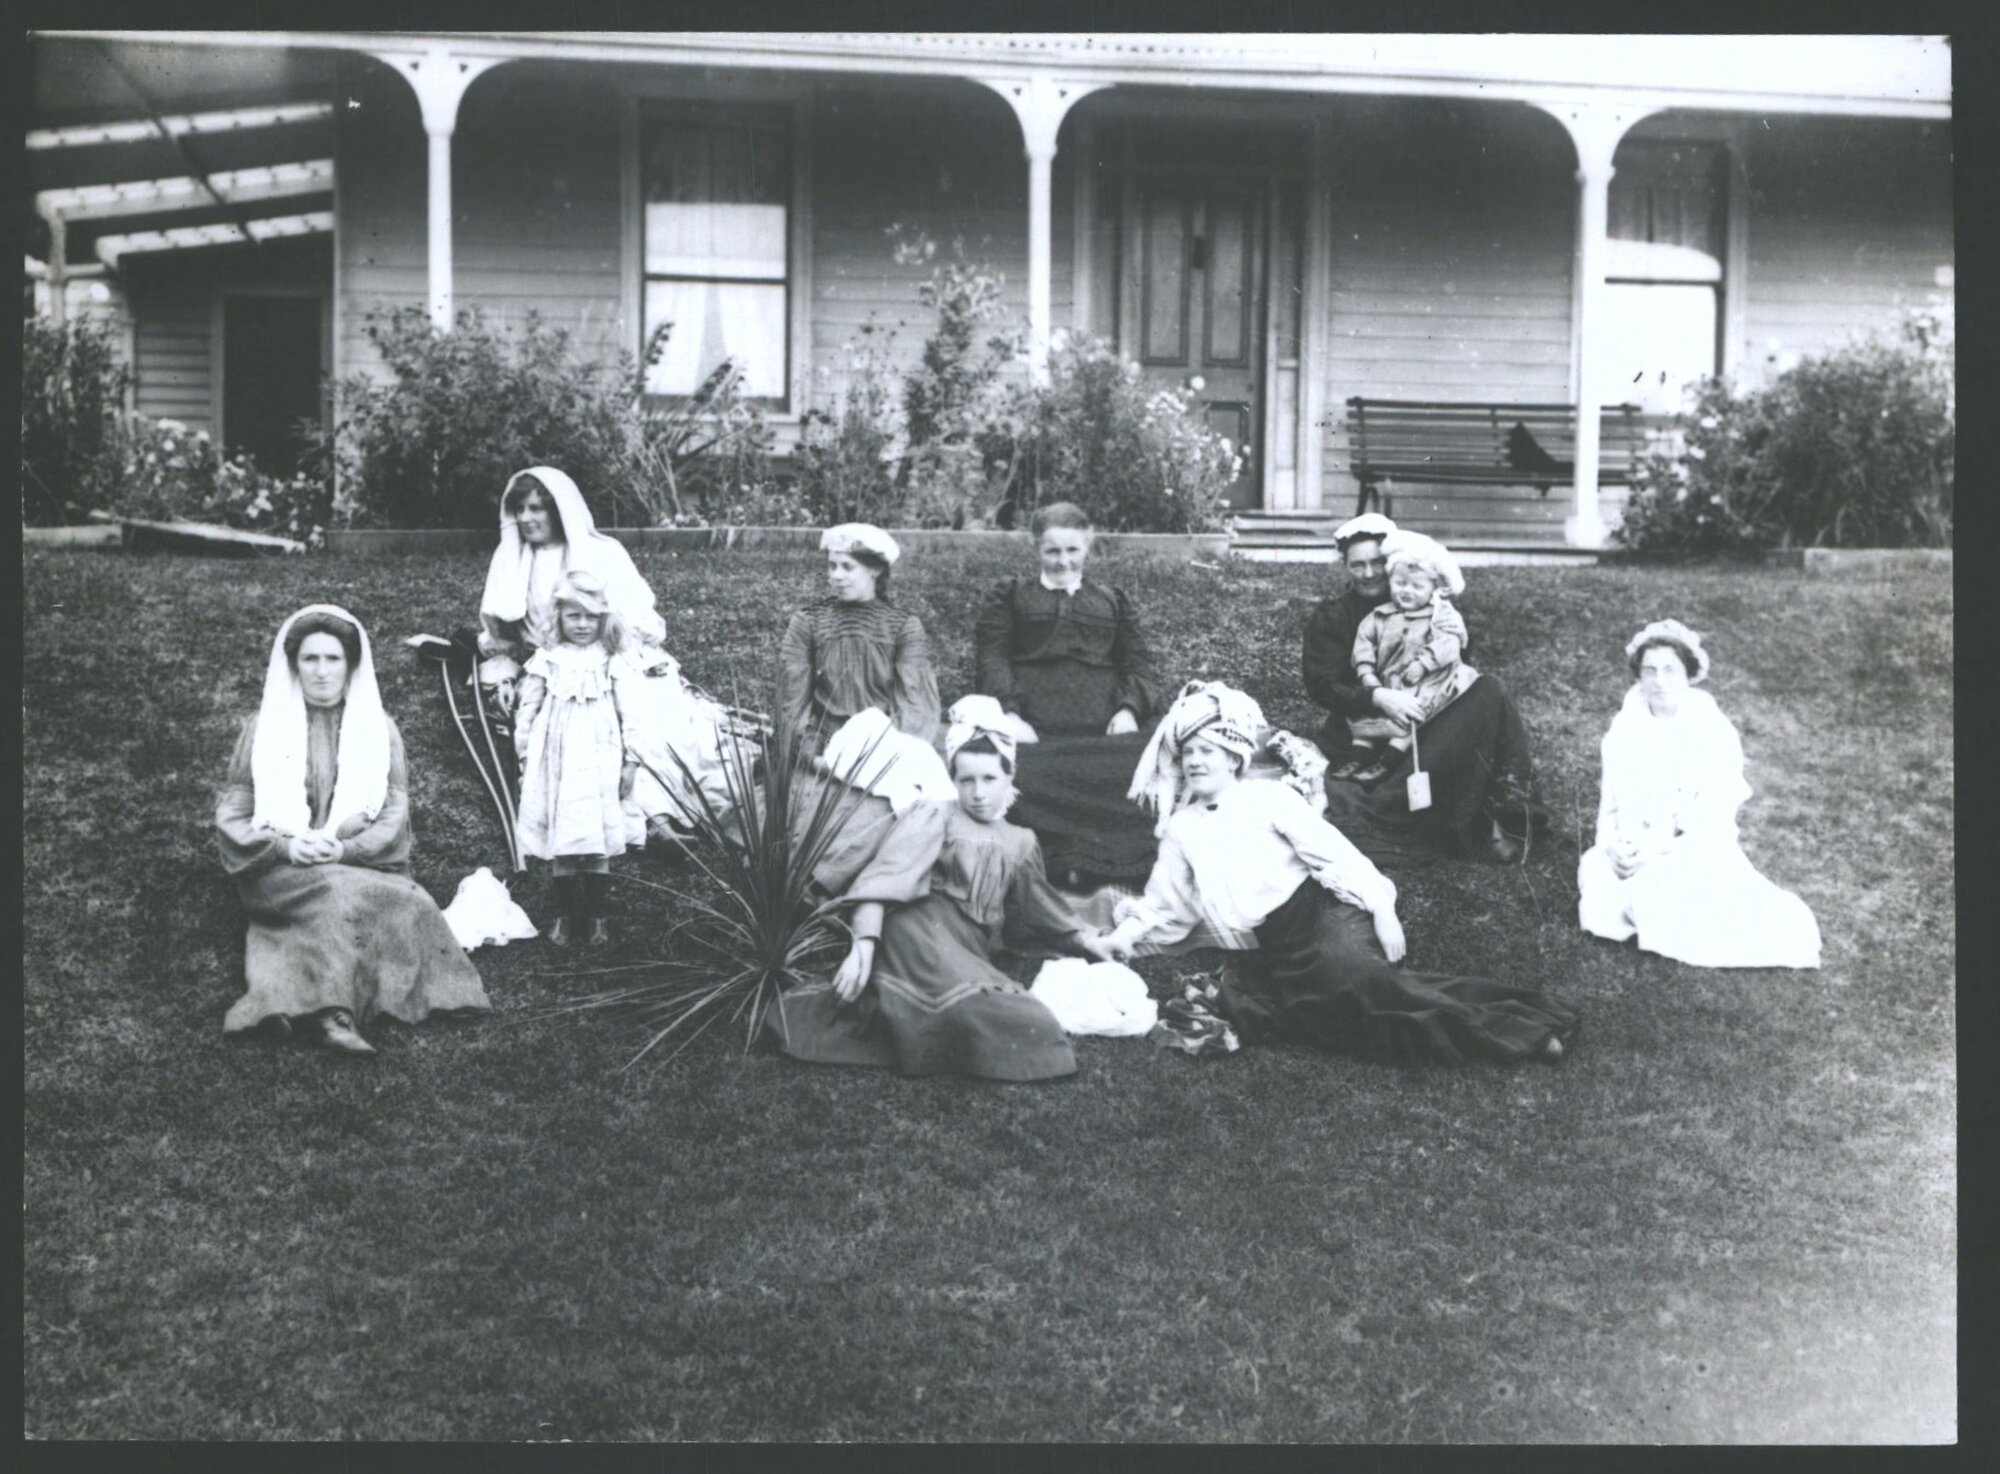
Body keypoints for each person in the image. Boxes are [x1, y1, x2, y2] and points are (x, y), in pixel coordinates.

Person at [1100, 683, 1577, 1065]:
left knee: (1369, 989)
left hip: (1325, 919)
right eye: (1188, 753)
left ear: (1233, 757)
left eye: (1207, 750)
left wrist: (1382, 909)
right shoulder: (1181, 829)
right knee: (1333, 1019)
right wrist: (1124, 937)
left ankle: (1526, 1032)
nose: (1195, 761)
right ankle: (1510, 1025)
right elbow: (1165, 901)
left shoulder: (1269, 798)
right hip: (1276, 948)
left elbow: (1335, 855)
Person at [765, 709, 1120, 1081]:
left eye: (989, 779)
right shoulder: (936, 814)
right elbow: (886, 877)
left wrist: (1087, 942)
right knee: (972, 1011)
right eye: (966, 780)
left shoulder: (1021, 841)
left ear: (1009, 776)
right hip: (912, 932)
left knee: (1030, 1020)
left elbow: (1043, 908)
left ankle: (904, 1022)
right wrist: (863, 946)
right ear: (953, 779)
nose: (978, 793)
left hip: (964, 949)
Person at [218, 605, 491, 1053]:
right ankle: (331, 1015)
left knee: (411, 899)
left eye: (333, 659)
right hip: (280, 866)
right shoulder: (264, 727)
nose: (322, 671)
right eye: (310, 659)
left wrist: (345, 851)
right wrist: (285, 847)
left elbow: (393, 812)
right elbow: (235, 808)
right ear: (294, 665)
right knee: (333, 896)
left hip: (354, 860)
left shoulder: (378, 729)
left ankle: (290, 1001)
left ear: (351, 665)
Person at [479, 466, 735, 836]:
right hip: (561, 669)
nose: (525, 518)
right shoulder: (514, 561)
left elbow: (639, 621)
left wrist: (624, 654)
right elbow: (502, 634)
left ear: (559, 510)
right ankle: (652, 821)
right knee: (590, 730)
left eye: (536, 508)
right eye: (519, 509)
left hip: (617, 655)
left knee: (647, 715)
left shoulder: (602, 552)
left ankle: (663, 813)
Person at [1577, 620, 1822, 968]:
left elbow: (1712, 820)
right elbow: (1610, 806)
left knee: (1665, 893)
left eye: (1670, 670)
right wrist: (1611, 848)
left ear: (1688, 674)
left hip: (1688, 847)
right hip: (1632, 846)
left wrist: (1653, 852)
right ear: (1639, 676)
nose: (1659, 681)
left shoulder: (1711, 731)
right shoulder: (1624, 728)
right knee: (1598, 876)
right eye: (1649, 671)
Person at [1304, 513, 1544, 865]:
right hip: (1363, 729)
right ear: (1345, 565)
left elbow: (1453, 666)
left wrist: (1456, 637)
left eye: (1377, 563)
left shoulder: (1428, 604)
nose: (1369, 573)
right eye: (1357, 565)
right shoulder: (1335, 615)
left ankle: (1511, 797)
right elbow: (1322, 685)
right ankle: (1448, 812)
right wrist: (1379, 696)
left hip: (1423, 714)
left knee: (1490, 690)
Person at [972, 502, 1165, 882]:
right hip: (1035, 725)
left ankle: (1112, 867)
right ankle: (1053, 865)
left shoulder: (1113, 600)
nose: (1063, 561)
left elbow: (1139, 663)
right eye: (1053, 551)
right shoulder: (1010, 596)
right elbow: (992, 658)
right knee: (1018, 767)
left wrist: (1128, 710)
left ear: (1088, 545)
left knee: (1145, 763)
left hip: (1105, 728)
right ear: (1036, 547)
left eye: (1072, 550)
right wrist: (1010, 714)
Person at [513, 572, 647, 946]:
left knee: (596, 833)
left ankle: (597, 915)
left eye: (591, 616)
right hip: (556, 761)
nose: (583, 625)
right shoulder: (548, 658)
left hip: (601, 758)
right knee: (564, 833)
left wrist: (632, 761)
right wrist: (524, 756)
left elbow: (631, 713)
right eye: (574, 616)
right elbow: (528, 709)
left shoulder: (612, 659)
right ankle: (565, 913)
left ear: (604, 618)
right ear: (558, 617)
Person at [1336, 530, 1475, 786]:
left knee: (1409, 721)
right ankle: (1356, 759)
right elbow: (1364, 643)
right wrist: (1366, 672)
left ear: (1433, 589)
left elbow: (1449, 644)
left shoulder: (1439, 616)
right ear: (1391, 581)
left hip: (1425, 684)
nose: (1407, 591)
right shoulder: (1379, 615)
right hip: (1388, 680)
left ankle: (1386, 764)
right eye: (1400, 583)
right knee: (1366, 724)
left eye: (1417, 586)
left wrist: (1424, 663)